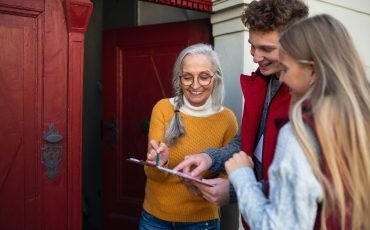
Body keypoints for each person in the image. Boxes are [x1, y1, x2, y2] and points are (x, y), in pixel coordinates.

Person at [225, 14, 370, 229]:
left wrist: (242, 178)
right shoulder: (357, 119)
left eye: (286, 69)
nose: (282, 78)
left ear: (312, 69)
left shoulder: (299, 131)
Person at [174, 0, 308, 210]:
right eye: (252, 46)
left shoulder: (309, 98)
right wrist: (209, 158)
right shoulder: (261, 84)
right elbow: (244, 144)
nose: (255, 57)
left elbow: (303, 187)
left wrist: (236, 191)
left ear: (296, 44)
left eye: (265, 48)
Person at [138, 43, 238, 230]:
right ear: (179, 79)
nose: (195, 85)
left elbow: (228, 174)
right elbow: (152, 174)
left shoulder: (227, 119)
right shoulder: (163, 109)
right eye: (187, 77)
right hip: (155, 219)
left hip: (202, 222)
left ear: (215, 79)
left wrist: (208, 185)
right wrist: (159, 163)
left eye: (204, 77)